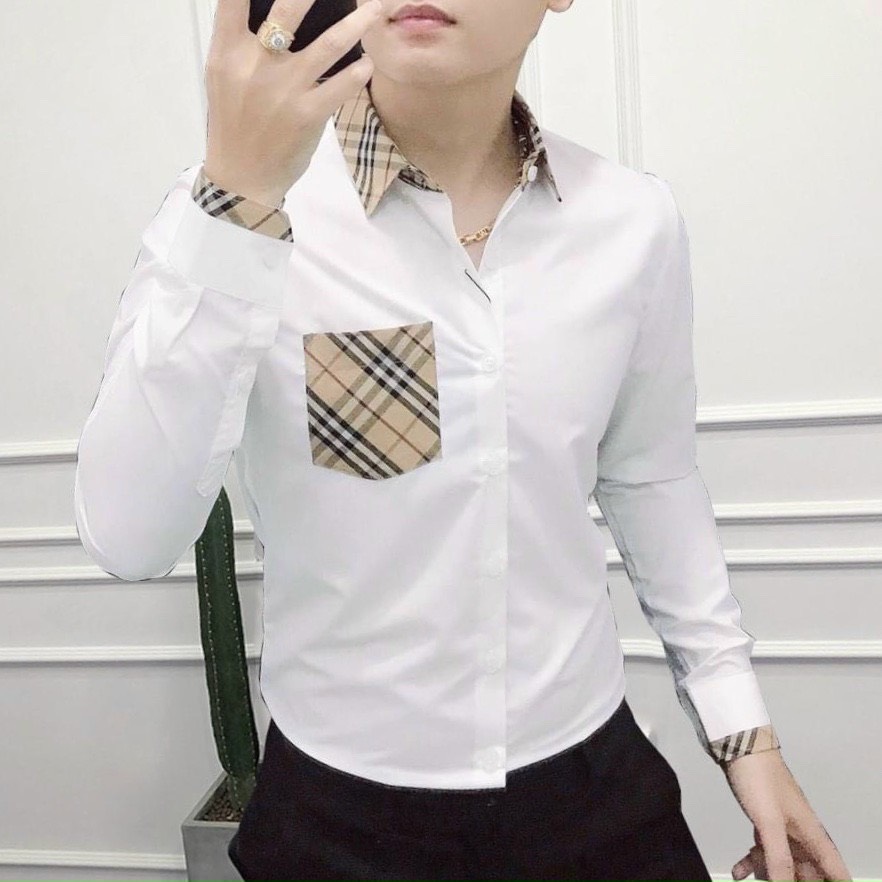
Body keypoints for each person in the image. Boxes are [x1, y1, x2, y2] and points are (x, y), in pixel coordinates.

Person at [73, 0, 852, 879]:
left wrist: (743, 732)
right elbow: (128, 536)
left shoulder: (632, 222)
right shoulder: (241, 210)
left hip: (593, 789)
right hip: (337, 814)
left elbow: (652, 477)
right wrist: (234, 207)